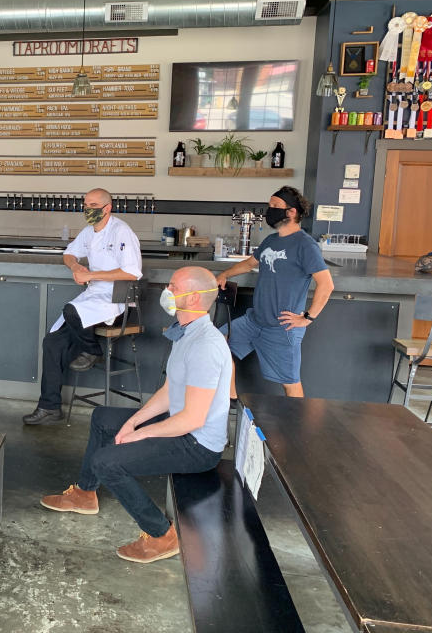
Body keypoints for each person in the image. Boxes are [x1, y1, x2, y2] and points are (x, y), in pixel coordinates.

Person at [39, 267, 231, 564]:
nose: (167, 290)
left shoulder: (205, 345)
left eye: (173, 285)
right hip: (183, 428)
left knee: (107, 462)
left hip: (198, 446)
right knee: (103, 418)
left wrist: (138, 435)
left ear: (192, 298)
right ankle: (84, 495)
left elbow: (193, 419)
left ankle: (161, 535)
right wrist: (133, 421)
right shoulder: (186, 333)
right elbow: (169, 391)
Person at [23, 188, 142, 425]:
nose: (88, 209)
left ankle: (93, 352)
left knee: (71, 310)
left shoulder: (121, 232)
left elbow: (132, 272)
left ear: (107, 208)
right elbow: (69, 254)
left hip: (117, 301)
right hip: (92, 298)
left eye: (94, 205)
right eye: (86, 204)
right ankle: (49, 408)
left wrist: (92, 275)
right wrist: (76, 268)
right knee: (52, 342)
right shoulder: (89, 232)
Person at [216, 186, 334, 398]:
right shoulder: (271, 240)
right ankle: (231, 399)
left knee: (290, 383)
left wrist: (308, 317)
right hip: (254, 320)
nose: (269, 210)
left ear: (292, 212)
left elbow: (326, 284)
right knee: (217, 343)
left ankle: (295, 428)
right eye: (269, 205)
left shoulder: (306, 245)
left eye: (275, 206)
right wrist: (225, 274)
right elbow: (250, 263)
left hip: (282, 328)